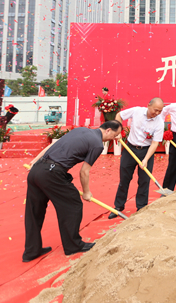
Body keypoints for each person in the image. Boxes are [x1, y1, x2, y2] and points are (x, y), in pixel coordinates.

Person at [23, 121, 122, 261]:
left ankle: (31, 251)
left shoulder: (80, 130)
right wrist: (86, 192)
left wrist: (35, 161)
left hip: (37, 170)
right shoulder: (97, 144)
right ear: (108, 130)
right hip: (52, 173)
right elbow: (84, 172)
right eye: (114, 135)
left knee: (34, 211)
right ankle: (73, 245)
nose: (113, 138)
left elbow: (52, 145)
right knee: (73, 204)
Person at [109, 98, 165, 219]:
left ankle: (141, 207)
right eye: (155, 110)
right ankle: (118, 206)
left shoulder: (159, 122)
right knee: (124, 179)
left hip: (146, 151)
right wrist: (118, 131)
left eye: (160, 111)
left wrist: (145, 159)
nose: (157, 113)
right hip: (130, 149)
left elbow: (155, 143)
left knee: (144, 180)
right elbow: (119, 115)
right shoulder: (137, 111)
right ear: (148, 105)